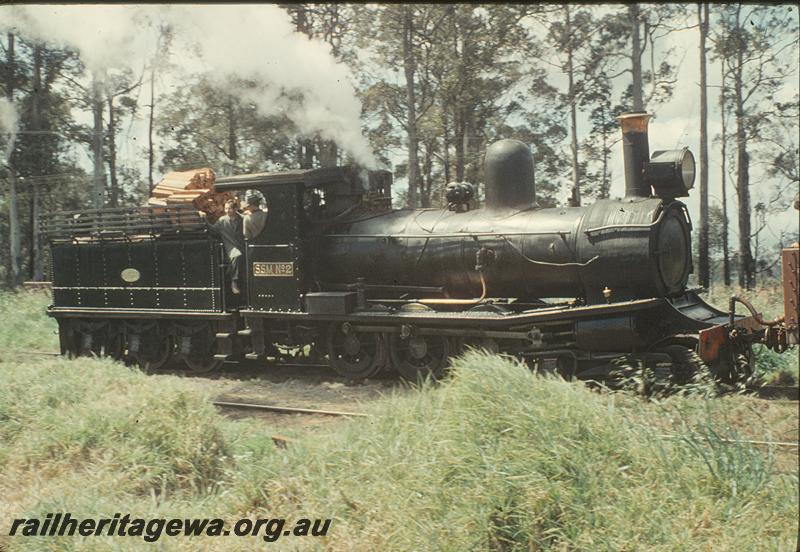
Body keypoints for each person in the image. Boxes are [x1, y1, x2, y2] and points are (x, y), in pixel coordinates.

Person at [201, 199, 246, 294]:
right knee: (237, 255)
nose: (227, 211)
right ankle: (234, 281)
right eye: (226, 208)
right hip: (230, 246)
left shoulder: (243, 219)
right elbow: (213, 230)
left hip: (243, 245)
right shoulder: (222, 220)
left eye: (229, 208)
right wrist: (204, 219)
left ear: (235, 209)